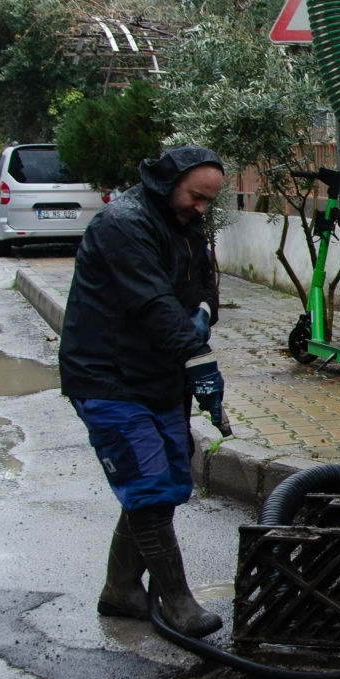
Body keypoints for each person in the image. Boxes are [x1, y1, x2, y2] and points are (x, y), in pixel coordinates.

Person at [58, 146, 234, 638]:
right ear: (167, 181)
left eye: (208, 202)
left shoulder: (185, 224)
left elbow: (204, 287)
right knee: (150, 487)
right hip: (109, 376)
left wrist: (201, 311)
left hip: (158, 374)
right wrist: (198, 356)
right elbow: (154, 304)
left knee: (161, 481)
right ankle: (177, 602)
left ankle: (121, 591)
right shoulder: (122, 225)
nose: (201, 208)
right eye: (196, 197)